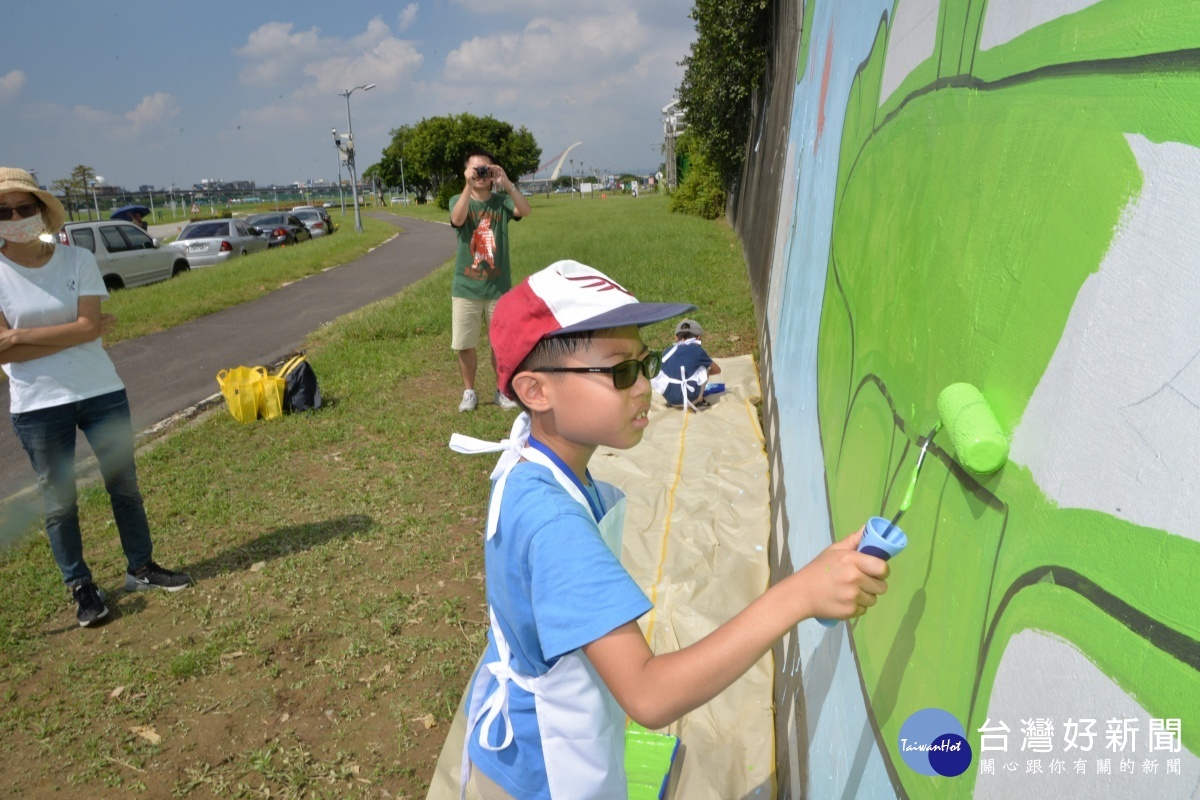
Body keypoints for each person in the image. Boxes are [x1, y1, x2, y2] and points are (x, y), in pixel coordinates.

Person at [449, 260, 890, 799]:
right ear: (536, 391)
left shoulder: (537, 464)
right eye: (619, 372)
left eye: (644, 363)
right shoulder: (553, 523)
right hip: (545, 774)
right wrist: (797, 596)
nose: (644, 388)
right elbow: (648, 695)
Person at [0, 168, 191, 628]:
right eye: (3, 211)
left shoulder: (77, 259)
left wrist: (22, 337)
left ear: (42, 212)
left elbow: (83, 329)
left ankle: (140, 568)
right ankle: (81, 587)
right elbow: (78, 329)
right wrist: (76, 333)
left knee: (124, 485)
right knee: (59, 501)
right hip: (38, 402)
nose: (15, 217)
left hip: (100, 390)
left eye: (25, 208)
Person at [449, 148, 532, 413]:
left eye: (486, 169)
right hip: (466, 288)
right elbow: (457, 219)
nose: (482, 175)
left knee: (500, 343)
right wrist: (467, 185)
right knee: (465, 344)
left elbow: (525, 211)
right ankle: (469, 391)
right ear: (467, 173)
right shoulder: (458, 199)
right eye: (477, 170)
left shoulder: (500, 202)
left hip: (498, 289)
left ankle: (502, 389)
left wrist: (506, 183)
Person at [651, 317, 722, 411]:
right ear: (699, 338)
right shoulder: (697, 351)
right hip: (691, 400)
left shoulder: (667, 351)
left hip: (671, 400)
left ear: (676, 337)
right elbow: (717, 370)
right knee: (704, 367)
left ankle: (674, 399)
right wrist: (707, 373)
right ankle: (699, 400)